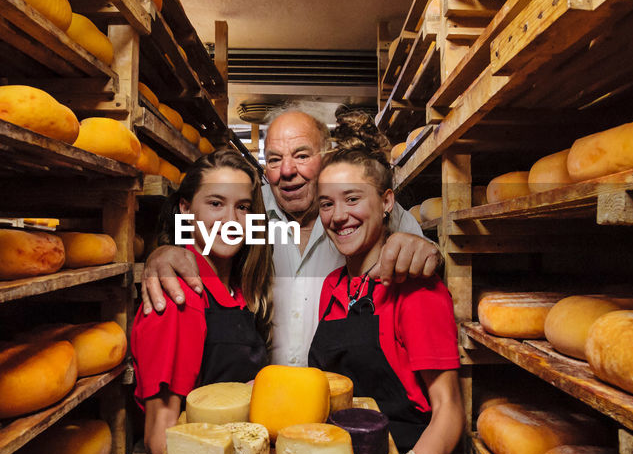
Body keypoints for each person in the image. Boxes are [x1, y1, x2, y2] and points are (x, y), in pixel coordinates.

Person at [126, 148, 297, 454]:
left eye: (244, 207)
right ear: (185, 212)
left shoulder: (233, 292)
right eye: (215, 204)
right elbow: (162, 434)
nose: (231, 220)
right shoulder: (177, 298)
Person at [307, 112, 464, 454]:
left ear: (387, 200)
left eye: (353, 199)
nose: (338, 216)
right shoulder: (332, 287)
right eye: (327, 204)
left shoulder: (417, 290)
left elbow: (448, 408)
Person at [140, 105, 441, 369]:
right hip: (261, 394)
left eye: (301, 155)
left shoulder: (359, 210)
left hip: (343, 393)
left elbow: (429, 259)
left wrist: (427, 250)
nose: (286, 170)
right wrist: (164, 252)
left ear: (327, 157)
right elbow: (198, 237)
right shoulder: (247, 213)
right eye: (274, 159)